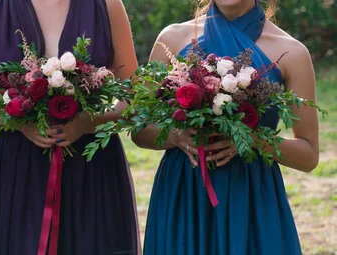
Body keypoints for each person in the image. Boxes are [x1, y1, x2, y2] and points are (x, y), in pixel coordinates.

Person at [132, 0, 319, 254]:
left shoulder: (292, 53)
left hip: (250, 197)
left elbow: (308, 155)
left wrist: (251, 140)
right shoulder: (172, 39)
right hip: (183, 195)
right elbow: (139, 130)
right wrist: (176, 137)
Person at [0, 0, 141, 254]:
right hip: (15, 167)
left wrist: (89, 123)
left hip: (92, 168)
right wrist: (16, 120)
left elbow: (133, 94)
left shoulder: (108, 5)